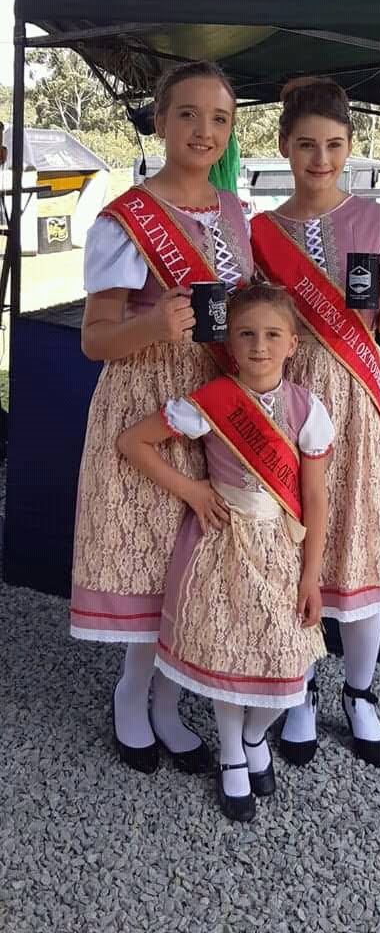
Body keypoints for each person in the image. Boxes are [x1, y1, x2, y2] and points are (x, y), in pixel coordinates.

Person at [70, 61, 253, 775]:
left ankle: (169, 705)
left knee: (196, 563)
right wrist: (153, 327)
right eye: (188, 114)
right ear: (159, 120)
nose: (204, 131)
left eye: (219, 118)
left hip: (214, 400)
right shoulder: (126, 219)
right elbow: (95, 340)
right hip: (146, 399)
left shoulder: (235, 211)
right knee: (150, 559)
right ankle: (131, 696)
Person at [117, 284, 334, 821]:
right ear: (229, 344)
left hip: (280, 550)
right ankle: (233, 752)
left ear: (293, 344)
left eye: (273, 335)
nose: (260, 346)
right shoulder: (210, 402)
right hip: (223, 546)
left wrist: (311, 576)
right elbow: (132, 442)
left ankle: (256, 736)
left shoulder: (308, 409)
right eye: (246, 334)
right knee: (229, 652)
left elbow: (315, 498)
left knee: (286, 661)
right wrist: (191, 491)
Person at [251, 77, 380, 769]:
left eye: (334, 145)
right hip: (287, 401)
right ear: (283, 146)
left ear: (349, 147)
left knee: (359, 538)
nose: (320, 159)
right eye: (306, 145)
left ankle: (359, 692)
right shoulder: (258, 231)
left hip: (355, 397)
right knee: (291, 541)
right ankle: (297, 688)